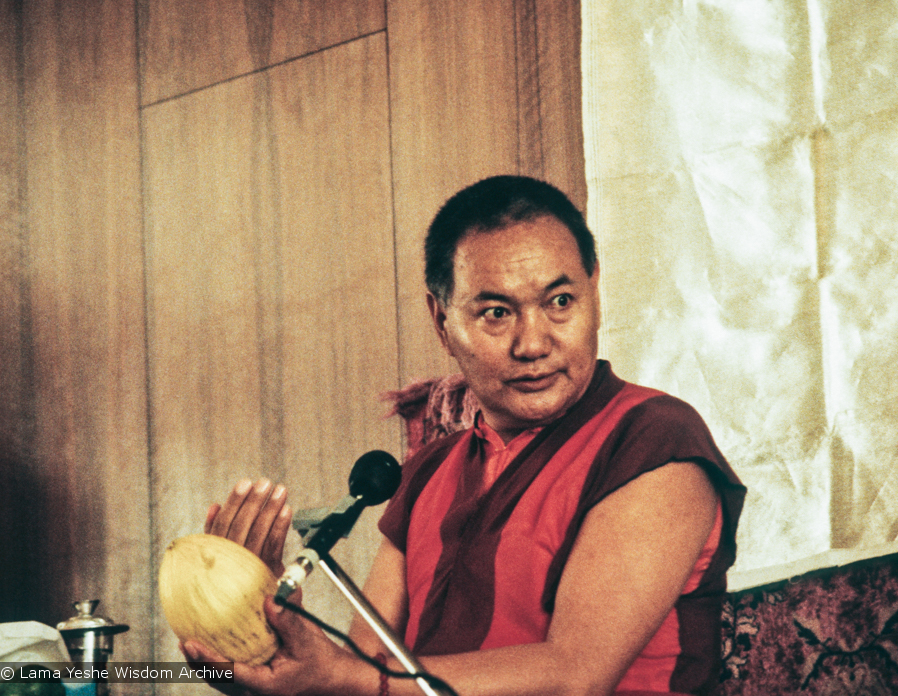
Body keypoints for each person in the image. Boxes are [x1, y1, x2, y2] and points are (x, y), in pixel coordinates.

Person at [186, 176, 746, 696]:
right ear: (442, 321)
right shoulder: (427, 472)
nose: (534, 344)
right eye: (497, 313)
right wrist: (261, 637)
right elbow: (361, 672)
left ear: (594, 290)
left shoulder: (653, 440)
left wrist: (347, 678)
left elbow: (574, 676)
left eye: (560, 302)